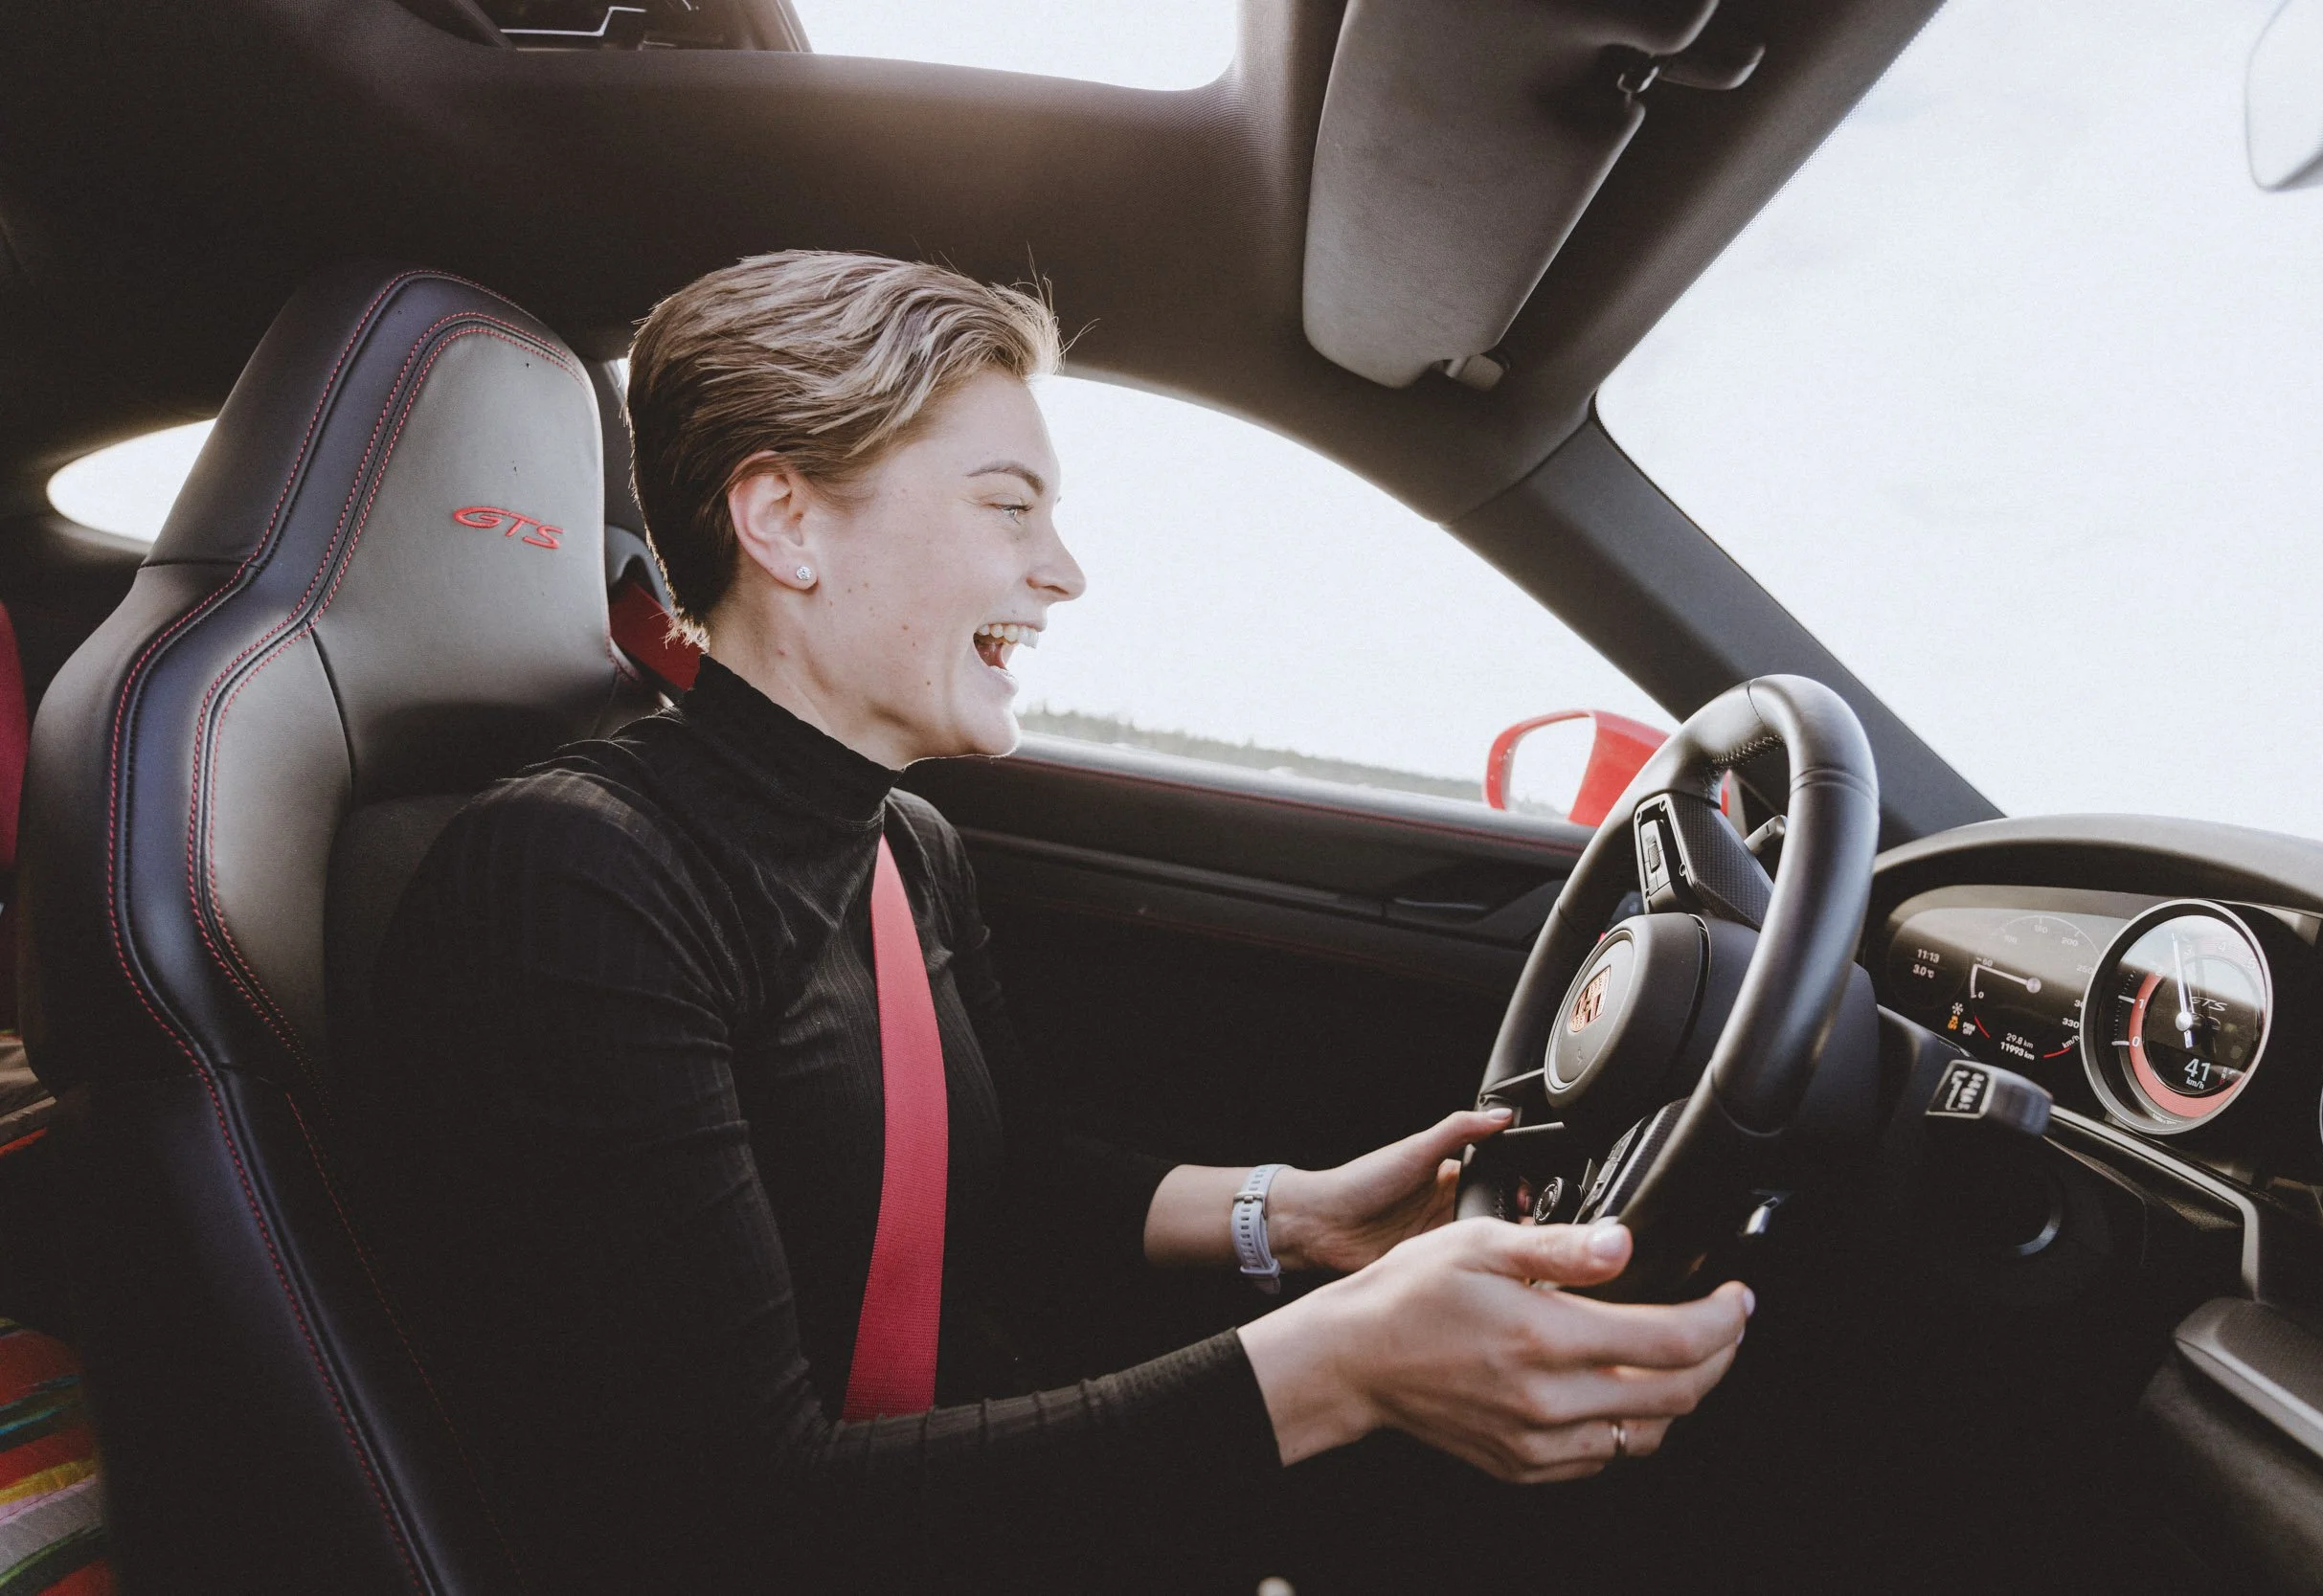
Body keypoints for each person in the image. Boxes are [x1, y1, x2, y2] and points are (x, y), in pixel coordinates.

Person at [360, 250, 1751, 1594]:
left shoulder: (905, 844)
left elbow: (997, 1183)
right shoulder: (575, 882)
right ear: (783, 520)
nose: (1064, 571)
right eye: (1008, 508)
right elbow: (737, 1521)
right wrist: (1345, 1364)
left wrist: (1298, 1220)